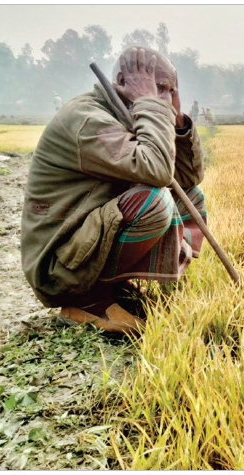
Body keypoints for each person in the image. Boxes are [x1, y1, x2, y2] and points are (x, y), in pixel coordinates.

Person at [21, 47, 207, 334]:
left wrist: (177, 118)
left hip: (86, 242)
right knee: (153, 201)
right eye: (158, 87)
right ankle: (86, 301)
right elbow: (157, 172)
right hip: (58, 264)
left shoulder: (129, 113)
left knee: (190, 197)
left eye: (170, 90)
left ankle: (114, 285)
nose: (164, 98)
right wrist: (151, 104)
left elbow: (185, 177)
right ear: (121, 80)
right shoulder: (88, 119)